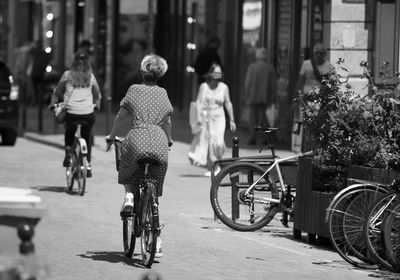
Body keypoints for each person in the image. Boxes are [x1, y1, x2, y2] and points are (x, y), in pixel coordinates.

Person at [106, 54, 173, 257]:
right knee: (154, 184)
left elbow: (121, 116)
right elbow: (168, 122)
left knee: (127, 165)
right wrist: (168, 140)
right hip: (159, 142)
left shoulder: (134, 90)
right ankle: (157, 241)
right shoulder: (163, 93)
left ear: (143, 72)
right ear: (160, 74)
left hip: (136, 138)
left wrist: (111, 136)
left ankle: (128, 196)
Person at [49, 51, 101, 177]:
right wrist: (97, 107)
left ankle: (68, 152)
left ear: (74, 62)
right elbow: (97, 95)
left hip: (71, 113)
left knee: (70, 131)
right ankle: (87, 164)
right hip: (88, 114)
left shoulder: (67, 75)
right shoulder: (91, 76)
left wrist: (52, 104)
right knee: (86, 135)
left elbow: (57, 93)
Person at [188, 63, 236, 177]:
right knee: (210, 143)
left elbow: (228, 103)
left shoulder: (224, 87)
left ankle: (217, 163)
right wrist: (199, 117)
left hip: (220, 119)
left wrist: (232, 119)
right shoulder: (204, 86)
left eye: (219, 73)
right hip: (207, 119)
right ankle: (213, 167)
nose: (217, 74)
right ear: (210, 73)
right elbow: (199, 102)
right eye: (215, 72)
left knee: (218, 142)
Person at [295, 43, 333, 151]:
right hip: (308, 98)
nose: (319, 55)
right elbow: (300, 81)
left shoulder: (329, 66)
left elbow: (331, 85)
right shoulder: (306, 64)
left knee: (319, 125)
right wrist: (298, 98)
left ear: (325, 54)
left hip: (321, 100)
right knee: (307, 124)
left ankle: (316, 149)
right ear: (314, 53)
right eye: (317, 53)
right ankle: (305, 150)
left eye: (321, 53)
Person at [244, 47, 277, 145]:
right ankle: (265, 138)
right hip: (266, 95)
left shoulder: (252, 67)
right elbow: (273, 84)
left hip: (253, 95)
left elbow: (247, 83)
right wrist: (273, 96)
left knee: (253, 117)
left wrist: (246, 94)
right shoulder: (270, 67)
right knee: (264, 116)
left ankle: (252, 137)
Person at [27, 40, 51, 105]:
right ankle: (37, 100)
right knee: (36, 88)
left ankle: (39, 100)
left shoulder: (42, 53)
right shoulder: (35, 52)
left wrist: (44, 67)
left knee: (39, 88)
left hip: (39, 73)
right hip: (35, 72)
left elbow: (48, 58)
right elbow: (29, 51)